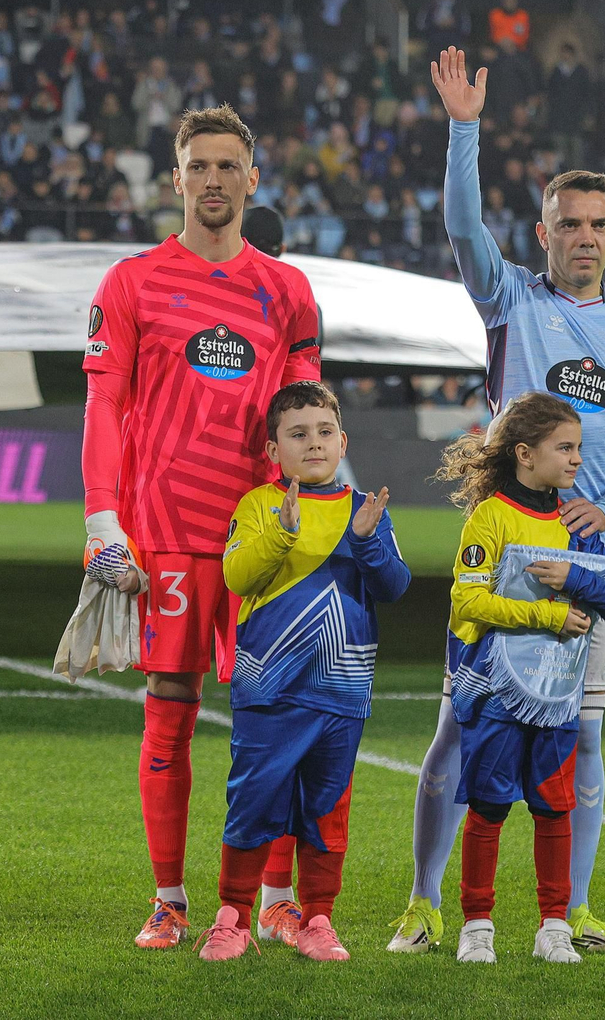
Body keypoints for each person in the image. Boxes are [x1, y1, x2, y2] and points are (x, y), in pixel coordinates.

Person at [389, 46, 605, 958]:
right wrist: (464, 129)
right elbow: (463, 227)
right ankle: (427, 906)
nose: (584, 236)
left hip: (586, 563)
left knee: (581, 739)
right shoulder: (508, 297)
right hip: (505, 549)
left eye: (598, 223)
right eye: (568, 223)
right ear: (544, 232)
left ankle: (571, 910)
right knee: (457, 734)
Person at [80, 103, 322, 948]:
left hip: (262, 539)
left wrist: (316, 521)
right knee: (170, 708)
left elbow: (306, 417)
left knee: (279, 714)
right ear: (176, 178)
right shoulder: (132, 282)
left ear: (253, 180)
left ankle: (280, 901)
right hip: (170, 530)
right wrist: (103, 515)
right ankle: (171, 898)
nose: (214, 180)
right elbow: (104, 401)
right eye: (199, 166)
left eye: (229, 167)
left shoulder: (287, 291)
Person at [197, 381, 410, 962]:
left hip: (341, 694)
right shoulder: (259, 506)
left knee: (326, 811)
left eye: (323, 432)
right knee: (253, 804)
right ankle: (233, 918)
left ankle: (317, 920)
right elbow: (239, 576)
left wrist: (367, 541)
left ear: (341, 441)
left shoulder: (363, 509)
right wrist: (281, 533)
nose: (312, 444)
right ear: (274, 450)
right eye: (297, 434)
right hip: (270, 690)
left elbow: (393, 585)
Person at [437, 392, 605, 964]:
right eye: (564, 448)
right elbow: (466, 600)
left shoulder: (577, 520)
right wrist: (548, 613)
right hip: (497, 692)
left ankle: (554, 927)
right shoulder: (491, 517)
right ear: (525, 453)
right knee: (490, 807)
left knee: (553, 807)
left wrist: (576, 575)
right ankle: (478, 926)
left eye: (579, 448)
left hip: (556, 695)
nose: (576, 459)